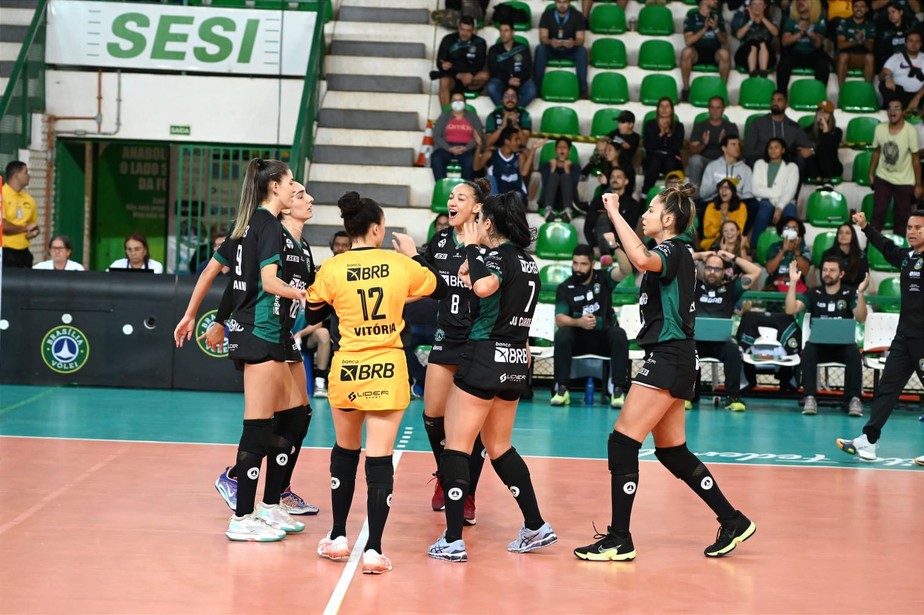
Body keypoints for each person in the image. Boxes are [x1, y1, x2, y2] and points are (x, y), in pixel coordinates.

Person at [574, 186, 756, 562]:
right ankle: (732, 519)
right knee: (672, 452)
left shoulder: (672, 250)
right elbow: (638, 259)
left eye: (653, 210)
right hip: (676, 356)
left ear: (669, 220)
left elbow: (640, 259)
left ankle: (620, 539)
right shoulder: (674, 252)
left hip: (670, 356)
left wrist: (614, 213)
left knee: (623, 443)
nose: (646, 215)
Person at [307, 191, 447, 574]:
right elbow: (435, 287)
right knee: (380, 458)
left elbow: (312, 309)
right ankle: (374, 549)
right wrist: (413, 254)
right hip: (387, 367)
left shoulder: (333, 267)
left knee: (345, 451)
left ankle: (337, 536)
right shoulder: (398, 264)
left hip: (348, 368)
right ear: (376, 228)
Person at [174, 158, 307, 543]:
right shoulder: (267, 227)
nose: (294, 188)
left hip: (263, 331)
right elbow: (266, 281)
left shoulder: (249, 226)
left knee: (295, 415)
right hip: (259, 331)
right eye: (290, 183)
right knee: (258, 426)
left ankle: (267, 505)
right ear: (275, 188)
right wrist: (296, 291)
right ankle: (243, 515)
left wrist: (192, 314)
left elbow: (211, 273)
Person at [428, 191, 558, 563]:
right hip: (516, 357)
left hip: (485, 354)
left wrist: (470, 250)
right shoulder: (528, 261)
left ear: (488, 224)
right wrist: (473, 265)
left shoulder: (497, 256)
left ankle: (452, 539)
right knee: (499, 446)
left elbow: (485, 287)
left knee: (456, 445)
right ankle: (535, 525)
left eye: (480, 218)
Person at [209, 180, 321, 513]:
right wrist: (219, 320)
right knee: (270, 419)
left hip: (285, 335)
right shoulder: (272, 235)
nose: (308, 198)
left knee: (299, 416)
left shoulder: (304, 245)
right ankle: (240, 481)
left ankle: (278, 491)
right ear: (285, 203)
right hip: (264, 333)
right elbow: (240, 283)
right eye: (299, 194)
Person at [421, 178, 490, 525]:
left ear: (476, 207)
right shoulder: (439, 241)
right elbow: (428, 284)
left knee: (470, 427)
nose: (452, 201)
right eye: (450, 196)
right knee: (433, 416)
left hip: (478, 337)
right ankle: (446, 475)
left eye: (460, 197)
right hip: (446, 335)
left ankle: (466, 493)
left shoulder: (488, 243)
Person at [836, 211, 924, 462]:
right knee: (887, 388)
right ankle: (869, 440)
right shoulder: (907, 257)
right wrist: (865, 227)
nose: (912, 231)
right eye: (909, 226)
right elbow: (886, 247)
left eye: (919, 227)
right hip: (904, 337)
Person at [549, 244, 632, 408]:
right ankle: (562, 389)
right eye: (575, 263)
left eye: (583, 264)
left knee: (619, 334)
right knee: (562, 334)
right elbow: (559, 319)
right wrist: (578, 322)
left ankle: (617, 390)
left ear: (593, 264)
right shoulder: (565, 287)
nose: (578, 268)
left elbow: (626, 269)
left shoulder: (603, 278)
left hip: (603, 339)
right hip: (578, 341)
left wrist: (614, 246)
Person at [785, 256, 869, 416]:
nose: (827, 273)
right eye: (824, 270)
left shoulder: (849, 293)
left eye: (832, 270)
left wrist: (860, 293)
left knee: (853, 353)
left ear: (841, 274)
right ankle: (810, 397)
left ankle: (853, 399)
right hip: (819, 346)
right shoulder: (813, 293)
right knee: (808, 350)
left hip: (843, 347)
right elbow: (790, 309)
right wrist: (793, 282)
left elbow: (861, 317)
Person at [694, 250, 762, 411]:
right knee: (686, 349)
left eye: (717, 269)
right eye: (709, 267)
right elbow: (673, 261)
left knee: (733, 350)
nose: (712, 272)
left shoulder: (731, 289)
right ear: (704, 268)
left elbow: (756, 271)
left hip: (721, 343)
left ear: (724, 272)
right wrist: (699, 255)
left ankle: (732, 397)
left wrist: (733, 257)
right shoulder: (692, 285)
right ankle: (688, 396)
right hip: (697, 341)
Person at [870, 97, 922, 237]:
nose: (893, 111)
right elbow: (876, 151)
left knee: (902, 218)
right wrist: (871, 173)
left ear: (903, 112)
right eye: (890, 108)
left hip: (905, 180)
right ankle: (870, 249)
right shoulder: (879, 128)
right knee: (877, 213)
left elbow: (915, 159)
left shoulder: (910, 131)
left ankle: (898, 253)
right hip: (883, 177)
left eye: (897, 108)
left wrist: (918, 185)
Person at [742, 91, 814, 169]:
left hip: (786, 162)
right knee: (752, 160)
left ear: (786, 105)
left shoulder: (793, 126)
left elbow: (808, 146)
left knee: (799, 160)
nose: (775, 103)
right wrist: (771, 155)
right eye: (773, 100)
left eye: (779, 100)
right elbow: (748, 149)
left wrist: (811, 150)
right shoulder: (758, 123)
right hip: (762, 160)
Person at [473, 126, 542, 205]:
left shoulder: (520, 156)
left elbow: (524, 173)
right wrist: (479, 146)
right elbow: (476, 167)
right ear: (507, 141)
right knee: (489, 179)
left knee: (516, 197)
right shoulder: (491, 154)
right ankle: (494, 207)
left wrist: (533, 150)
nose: (519, 142)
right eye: (516, 139)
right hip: (498, 195)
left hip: (515, 194)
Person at [534, 0, 589, 99]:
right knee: (540, 49)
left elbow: (581, 39)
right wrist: (551, 42)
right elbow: (543, 38)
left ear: (569, 3)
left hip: (570, 49)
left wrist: (574, 43)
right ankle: (537, 89)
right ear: (555, 2)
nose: (562, 5)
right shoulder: (547, 15)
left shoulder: (577, 15)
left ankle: (583, 91)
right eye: (559, 2)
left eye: (565, 2)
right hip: (552, 49)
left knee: (582, 51)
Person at [750, 138, 801, 243]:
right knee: (762, 213)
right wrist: (779, 191)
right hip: (765, 200)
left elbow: (790, 192)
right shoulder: (759, 164)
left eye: (776, 147)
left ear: (783, 150)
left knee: (791, 216)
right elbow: (756, 190)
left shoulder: (792, 167)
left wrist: (779, 207)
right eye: (770, 147)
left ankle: (797, 248)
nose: (773, 150)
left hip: (786, 201)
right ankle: (754, 247)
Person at [433, 15, 489, 107]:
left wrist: (470, 73)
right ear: (458, 28)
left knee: (485, 75)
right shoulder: (448, 39)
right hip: (452, 77)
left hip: (470, 78)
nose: (464, 33)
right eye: (462, 29)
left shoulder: (480, 42)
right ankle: (446, 115)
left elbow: (480, 63)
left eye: (468, 31)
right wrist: (457, 74)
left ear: (473, 30)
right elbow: (440, 63)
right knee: (443, 81)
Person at [681, 0, 731, 102]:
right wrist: (704, 29)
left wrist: (716, 29)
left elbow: (724, 41)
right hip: (697, 52)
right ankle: (686, 89)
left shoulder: (718, 17)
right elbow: (688, 41)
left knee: (725, 53)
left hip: (714, 51)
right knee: (686, 52)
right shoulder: (691, 17)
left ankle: (722, 90)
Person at [777, 0, 831, 93]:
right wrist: (801, 33)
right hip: (795, 52)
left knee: (823, 64)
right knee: (784, 63)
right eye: (798, 1)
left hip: (812, 53)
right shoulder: (791, 19)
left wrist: (809, 31)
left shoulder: (819, 19)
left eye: (804, 0)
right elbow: (785, 42)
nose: (800, 2)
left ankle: (820, 97)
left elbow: (818, 44)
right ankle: (782, 95)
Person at [586, 165, 641, 256]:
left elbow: (630, 229)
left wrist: (615, 246)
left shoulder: (632, 204)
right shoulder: (598, 200)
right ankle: (605, 253)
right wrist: (594, 246)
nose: (615, 179)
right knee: (604, 217)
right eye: (612, 177)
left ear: (626, 181)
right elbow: (587, 227)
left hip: (621, 245)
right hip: (599, 245)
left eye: (619, 177)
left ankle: (606, 254)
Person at [686, 97, 740, 189]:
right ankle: (694, 195)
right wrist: (703, 144)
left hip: (723, 161)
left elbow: (737, 153)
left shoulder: (731, 127)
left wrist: (724, 144)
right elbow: (692, 151)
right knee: (695, 160)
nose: (715, 111)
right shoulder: (700, 126)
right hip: (704, 160)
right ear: (708, 109)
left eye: (718, 107)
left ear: (723, 109)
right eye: (712, 107)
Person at [432, 92, 485, 181]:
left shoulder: (473, 117)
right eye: (454, 100)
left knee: (470, 161)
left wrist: (466, 148)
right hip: (447, 147)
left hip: (467, 148)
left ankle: (466, 188)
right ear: (450, 103)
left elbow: (478, 136)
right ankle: (441, 185)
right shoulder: (444, 116)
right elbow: (437, 135)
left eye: (460, 100)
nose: (457, 102)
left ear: (465, 102)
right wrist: (448, 148)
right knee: (437, 158)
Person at [486, 22, 537, 107]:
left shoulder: (522, 48)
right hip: (502, 81)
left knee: (532, 91)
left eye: (506, 31)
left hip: (520, 81)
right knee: (491, 87)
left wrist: (519, 79)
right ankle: (504, 110)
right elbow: (493, 71)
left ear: (512, 32)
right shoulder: (493, 49)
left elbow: (527, 69)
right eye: (501, 31)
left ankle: (515, 111)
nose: (503, 34)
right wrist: (508, 79)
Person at [700, 136, 755, 212]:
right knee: (700, 207)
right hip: (715, 201)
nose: (737, 147)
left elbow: (748, 194)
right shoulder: (712, 166)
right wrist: (719, 185)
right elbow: (703, 194)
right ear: (724, 148)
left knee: (753, 204)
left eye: (738, 144)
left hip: (737, 203)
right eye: (733, 144)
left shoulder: (746, 169)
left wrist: (733, 200)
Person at [642, 97, 685, 194]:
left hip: (671, 157)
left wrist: (669, 135)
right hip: (653, 156)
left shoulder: (678, 126)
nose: (664, 109)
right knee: (654, 164)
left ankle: (672, 196)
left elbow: (677, 147)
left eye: (667, 106)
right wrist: (661, 133)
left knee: (670, 163)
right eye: (661, 106)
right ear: (657, 109)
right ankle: (644, 197)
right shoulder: (650, 125)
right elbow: (648, 146)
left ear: (672, 109)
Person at [2, 160, 40, 268]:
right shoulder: (2, 195)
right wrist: (25, 228)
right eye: (26, 172)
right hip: (6, 251)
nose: (29, 175)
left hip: (24, 252)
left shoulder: (29, 200)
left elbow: (33, 224)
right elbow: (2, 226)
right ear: (16, 175)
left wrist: (34, 231)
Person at [539, 136, 582, 222]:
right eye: (559, 147)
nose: (562, 150)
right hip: (550, 199)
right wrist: (552, 169)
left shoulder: (575, 167)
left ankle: (567, 211)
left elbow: (574, 186)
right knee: (554, 176)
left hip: (567, 200)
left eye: (564, 147)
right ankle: (548, 211)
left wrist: (567, 171)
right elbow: (545, 185)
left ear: (569, 151)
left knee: (565, 177)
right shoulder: (547, 165)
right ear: (555, 151)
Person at [732, 0, 779, 77]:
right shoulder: (744, 19)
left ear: (765, 6)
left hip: (767, 57)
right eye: (754, 4)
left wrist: (763, 18)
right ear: (750, 7)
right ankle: (752, 72)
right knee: (753, 43)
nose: (757, 7)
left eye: (760, 4)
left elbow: (775, 33)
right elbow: (739, 35)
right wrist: (751, 21)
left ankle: (763, 72)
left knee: (762, 43)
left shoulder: (771, 19)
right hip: (746, 57)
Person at [879, 31, 924, 111]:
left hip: (919, 95)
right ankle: (895, 109)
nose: (913, 44)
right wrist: (888, 77)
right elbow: (882, 74)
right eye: (910, 41)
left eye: (917, 41)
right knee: (883, 84)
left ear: (921, 44)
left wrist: (917, 98)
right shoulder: (897, 57)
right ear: (905, 43)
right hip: (899, 95)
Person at [701, 179, 748, 250]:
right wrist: (721, 221)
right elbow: (707, 232)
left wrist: (725, 217)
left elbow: (739, 230)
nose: (723, 190)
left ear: (733, 191)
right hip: (714, 240)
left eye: (727, 188)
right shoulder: (711, 206)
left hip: (735, 240)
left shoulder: (741, 207)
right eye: (721, 187)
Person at [836, 0, 876, 85]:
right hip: (848, 57)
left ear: (867, 9)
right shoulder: (844, 23)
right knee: (843, 56)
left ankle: (867, 91)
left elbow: (870, 47)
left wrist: (862, 39)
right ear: (852, 8)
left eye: (862, 7)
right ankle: (842, 92)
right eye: (856, 6)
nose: (859, 9)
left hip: (862, 58)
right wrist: (857, 41)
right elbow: (840, 45)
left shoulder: (870, 24)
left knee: (870, 57)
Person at [874, 1, 921, 73]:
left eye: (893, 12)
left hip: (910, 62)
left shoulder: (911, 28)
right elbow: (882, 52)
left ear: (901, 12)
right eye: (889, 13)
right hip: (891, 64)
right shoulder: (885, 31)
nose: (891, 15)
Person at [804, 100, 844, 184]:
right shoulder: (807, 131)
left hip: (832, 166)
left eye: (825, 113)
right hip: (814, 168)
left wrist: (825, 130)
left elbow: (831, 148)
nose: (822, 115)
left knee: (823, 148)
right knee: (808, 154)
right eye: (820, 112)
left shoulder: (837, 132)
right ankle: (819, 180)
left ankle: (827, 180)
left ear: (831, 116)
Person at [820, 222, 869, 287]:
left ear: (853, 236)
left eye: (847, 233)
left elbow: (863, 279)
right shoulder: (828, 255)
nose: (843, 235)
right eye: (840, 233)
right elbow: (824, 278)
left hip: (854, 292)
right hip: (833, 290)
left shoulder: (861, 255)